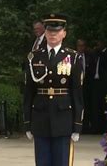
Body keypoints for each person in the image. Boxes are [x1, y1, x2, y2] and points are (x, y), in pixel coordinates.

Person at [23, 13, 84, 166]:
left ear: (64, 33)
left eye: (56, 31)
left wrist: (77, 124)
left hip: (63, 116)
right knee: (42, 161)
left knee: (62, 161)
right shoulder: (34, 57)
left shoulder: (73, 57)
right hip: (40, 115)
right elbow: (29, 92)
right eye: (49, 31)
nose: (52, 34)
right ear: (45, 32)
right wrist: (27, 122)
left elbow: (77, 93)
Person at [90, 40, 107, 133]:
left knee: (105, 105)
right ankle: (96, 126)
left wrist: (98, 51)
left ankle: (106, 127)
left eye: (99, 44)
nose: (97, 46)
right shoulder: (97, 55)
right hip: (97, 82)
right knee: (96, 105)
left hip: (105, 83)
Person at [75, 38, 95, 134]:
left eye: (83, 45)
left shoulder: (89, 56)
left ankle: (86, 126)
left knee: (87, 105)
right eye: (79, 45)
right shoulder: (74, 57)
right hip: (77, 84)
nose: (81, 48)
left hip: (87, 84)